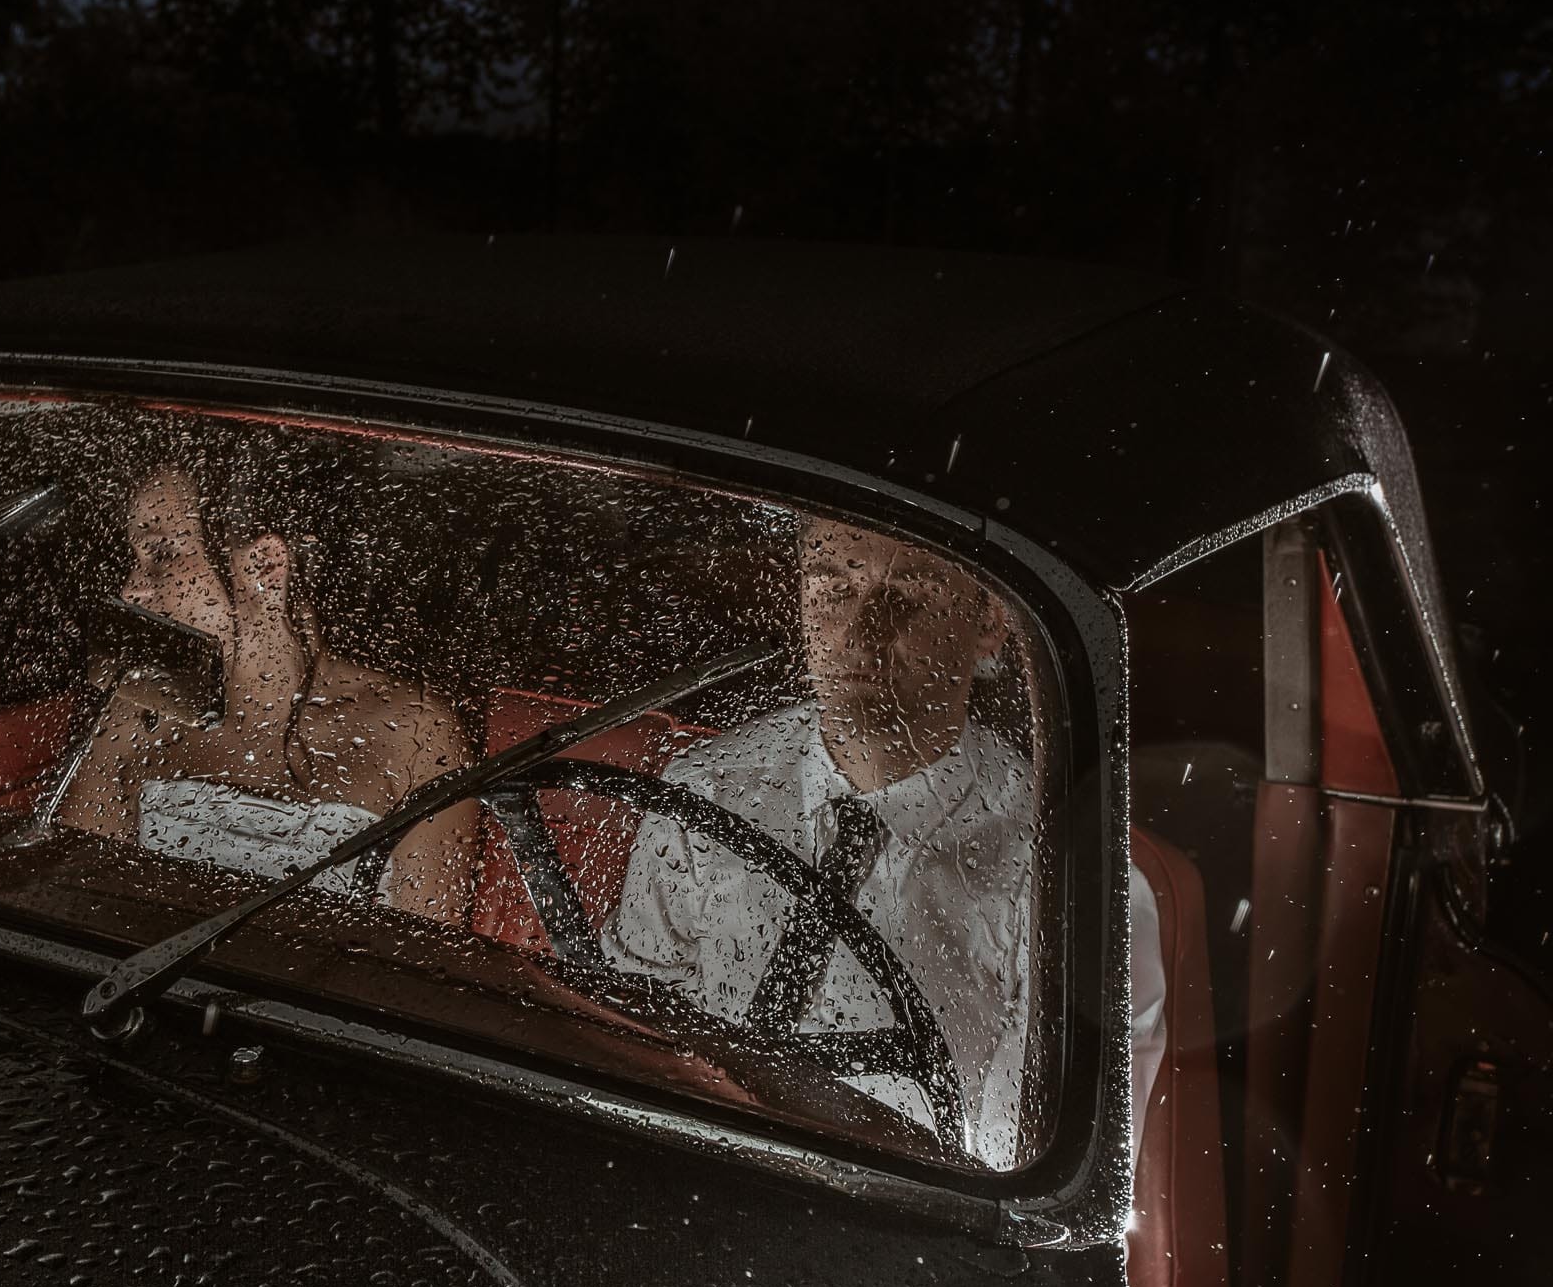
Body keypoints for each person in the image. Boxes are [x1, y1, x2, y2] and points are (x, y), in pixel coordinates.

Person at [602, 512, 1165, 1169]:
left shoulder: (1068, 883)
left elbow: (1012, 1180)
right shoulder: (703, 791)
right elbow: (627, 1033)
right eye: (834, 588)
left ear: (988, 627)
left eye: (911, 596)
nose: (859, 634)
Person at [58, 453, 478, 924]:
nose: (131, 589)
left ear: (263, 566)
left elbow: (425, 957)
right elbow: (73, 900)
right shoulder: (138, 706)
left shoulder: (418, 732)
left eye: (161, 553)